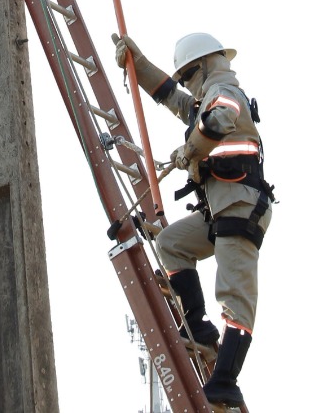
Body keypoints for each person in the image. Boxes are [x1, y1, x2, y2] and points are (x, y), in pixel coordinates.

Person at [113, 32, 275, 409]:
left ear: (203, 67)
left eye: (188, 76)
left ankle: (225, 381)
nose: (186, 84)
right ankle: (200, 330)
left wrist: (191, 149)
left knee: (235, 298)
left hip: (240, 209)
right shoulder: (205, 98)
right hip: (219, 213)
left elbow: (221, 120)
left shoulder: (224, 91)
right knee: (171, 244)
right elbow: (171, 96)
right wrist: (138, 65)